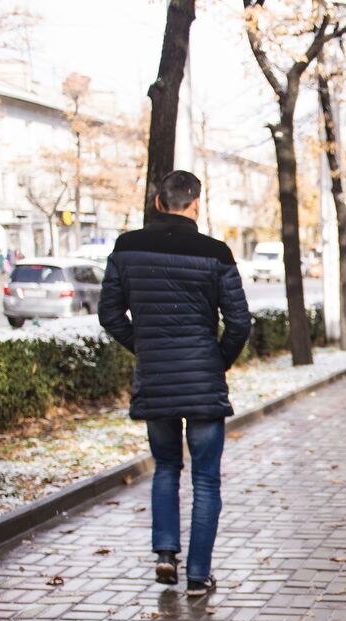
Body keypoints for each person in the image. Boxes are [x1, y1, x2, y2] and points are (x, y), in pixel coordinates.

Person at [98, 170, 251, 597]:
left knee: (166, 467)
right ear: (196, 205)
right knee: (206, 480)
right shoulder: (216, 253)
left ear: (158, 203)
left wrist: (144, 348)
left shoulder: (126, 248)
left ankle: (166, 554)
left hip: (157, 380)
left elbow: (109, 314)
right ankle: (199, 576)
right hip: (203, 381)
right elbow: (239, 321)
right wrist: (215, 360)